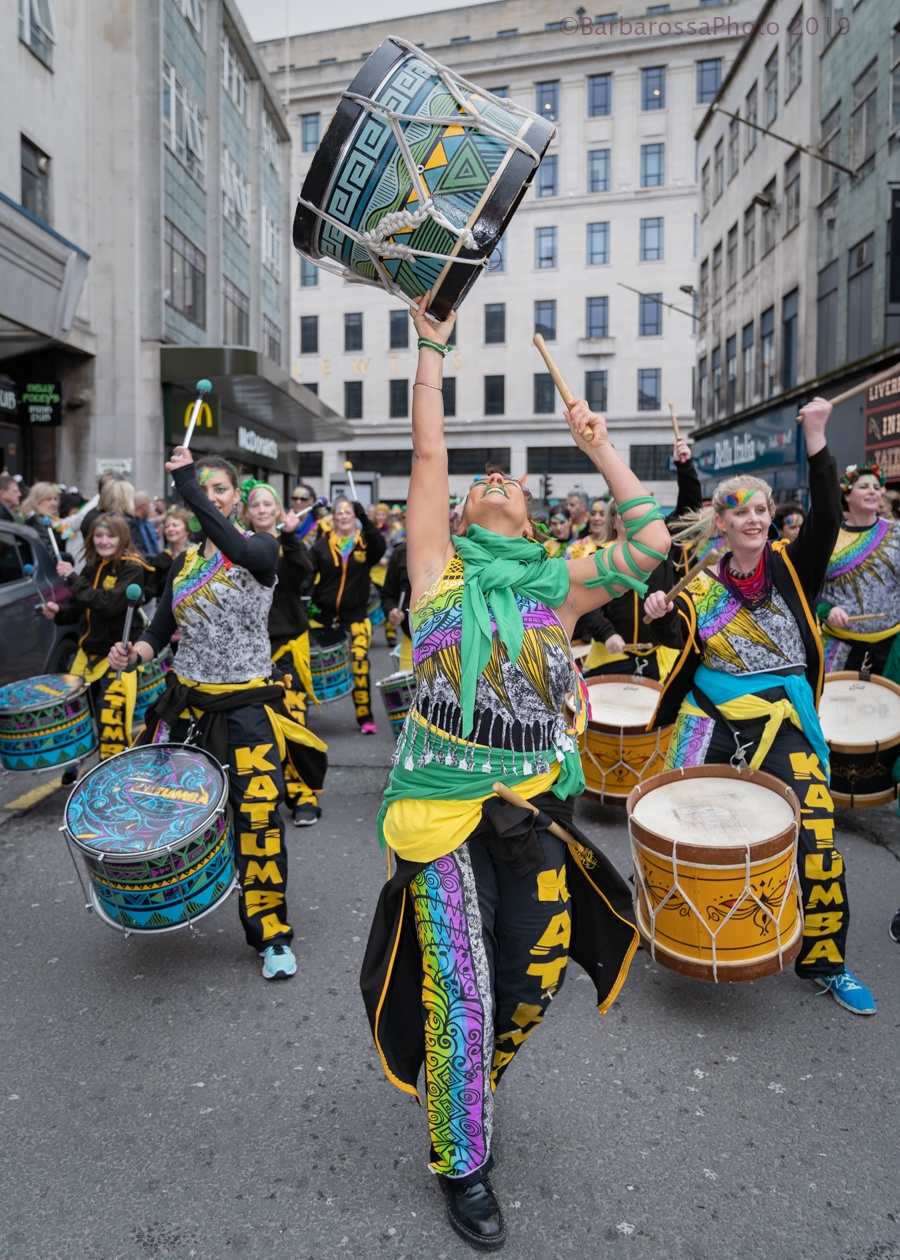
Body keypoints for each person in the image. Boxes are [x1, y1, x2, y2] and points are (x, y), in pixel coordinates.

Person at [359, 292, 672, 1250]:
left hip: (534, 815)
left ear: (533, 512)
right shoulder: (435, 572)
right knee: (459, 984)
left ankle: (470, 1089)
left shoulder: (563, 586)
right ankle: (464, 1159)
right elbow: (427, 455)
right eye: (479, 479)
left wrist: (600, 445)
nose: (495, 477)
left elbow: (655, 545)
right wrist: (431, 349)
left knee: (527, 980)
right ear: (458, 512)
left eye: (513, 479)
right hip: (437, 819)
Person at [643, 398, 876, 1017]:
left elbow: (827, 512)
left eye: (761, 508)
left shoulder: (791, 566)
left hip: (784, 721)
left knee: (819, 839)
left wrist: (818, 439)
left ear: (772, 517)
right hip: (709, 717)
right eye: (740, 510)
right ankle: (663, 918)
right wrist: (658, 614)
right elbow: (676, 644)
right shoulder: (698, 583)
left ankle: (826, 959)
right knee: (673, 816)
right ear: (720, 523)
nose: (753, 517)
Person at [108, 452, 327, 981]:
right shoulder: (184, 567)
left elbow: (228, 540)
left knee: (258, 822)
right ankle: (177, 900)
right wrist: (133, 654)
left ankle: (270, 934)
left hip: (248, 710)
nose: (214, 495)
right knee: (183, 818)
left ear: (236, 498)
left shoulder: (259, 550)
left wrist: (188, 485)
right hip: (189, 710)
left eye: (222, 488)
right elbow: (159, 631)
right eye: (207, 488)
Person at [577, 437, 700, 682]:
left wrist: (684, 467)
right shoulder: (598, 558)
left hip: (657, 655)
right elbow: (589, 607)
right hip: (611, 655)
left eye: (638, 512)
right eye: (623, 512)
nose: (630, 518)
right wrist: (608, 633)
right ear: (614, 521)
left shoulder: (664, 546)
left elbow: (689, 509)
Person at [41, 512, 151, 781]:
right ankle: (75, 761)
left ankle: (112, 775)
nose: (103, 541)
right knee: (75, 714)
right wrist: (59, 612)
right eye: (98, 536)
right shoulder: (93, 566)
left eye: (110, 535)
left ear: (122, 537)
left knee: (110, 718)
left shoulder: (133, 568)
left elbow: (109, 603)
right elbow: (82, 609)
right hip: (86, 654)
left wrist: (72, 578)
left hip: (116, 657)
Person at [242, 478, 326, 827]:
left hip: (286, 647)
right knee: (255, 730)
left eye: (268, 504)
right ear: (246, 512)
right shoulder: (239, 546)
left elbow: (304, 573)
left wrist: (290, 537)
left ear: (278, 509)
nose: (262, 509)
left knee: (293, 722)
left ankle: (304, 795)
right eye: (255, 505)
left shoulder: (288, 543)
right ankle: (265, 794)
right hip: (248, 651)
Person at [308, 495, 386, 732]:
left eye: (349, 513)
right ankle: (304, 710)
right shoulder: (321, 545)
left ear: (355, 517)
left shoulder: (364, 543)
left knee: (360, 663)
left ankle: (365, 717)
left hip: (357, 617)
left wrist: (365, 517)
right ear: (333, 517)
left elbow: (379, 548)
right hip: (323, 617)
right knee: (310, 664)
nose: (343, 516)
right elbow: (307, 574)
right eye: (339, 513)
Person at [818, 462, 900, 679]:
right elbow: (808, 587)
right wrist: (828, 609)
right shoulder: (827, 536)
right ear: (847, 495)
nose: (872, 491)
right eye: (864, 486)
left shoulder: (897, 533)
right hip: (840, 644)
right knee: (835, 709)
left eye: (875, 487)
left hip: (891, 646)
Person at [380, 539, 412, 671]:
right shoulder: (400, 552)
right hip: (412, 640)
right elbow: (388, 594)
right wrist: (392, 610)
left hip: (456, 644)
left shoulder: (455, 548)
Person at [20, 482, 65, 560]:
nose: (54, 503)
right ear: (37, 501)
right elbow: (49, 553)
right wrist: (70, 557)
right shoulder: (37, 521)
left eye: (55, 499)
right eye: (48, 499)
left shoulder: (46, 520)